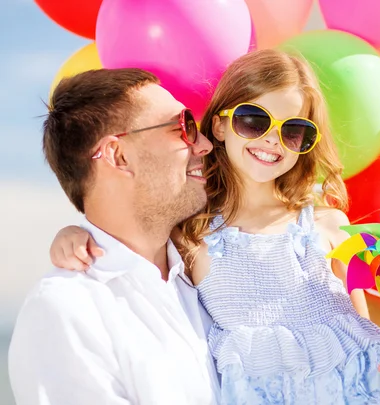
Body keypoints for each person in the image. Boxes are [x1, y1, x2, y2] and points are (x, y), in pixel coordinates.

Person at [48, 49, 380, 404]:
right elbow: (130, 233)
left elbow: (363, 329)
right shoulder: (190, 233)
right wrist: (74, 235)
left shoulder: (328, 224)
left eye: (293, 130)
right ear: (221, 126)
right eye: (253, 121)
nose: (272, 140)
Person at [8, 68, 221, 405]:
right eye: (184, 126)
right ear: (118, 155)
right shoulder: (65, 312)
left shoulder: (211, 279)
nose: (206, 144)